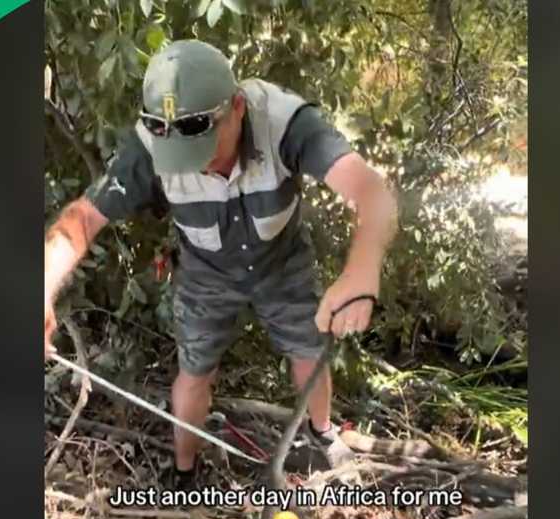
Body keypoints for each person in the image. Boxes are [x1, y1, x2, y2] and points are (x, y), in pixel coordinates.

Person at [43, 40, 397, 489]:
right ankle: (185, 470)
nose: (198, 166)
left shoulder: (285, 122)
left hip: (282, 262)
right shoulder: (150, 142)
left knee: (309, 350)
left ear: (237, 107)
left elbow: (372, 192)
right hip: (205, 270)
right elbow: (83, 218)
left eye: (204, 145)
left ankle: (321, 433)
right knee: (194, 369)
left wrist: (361, 271)